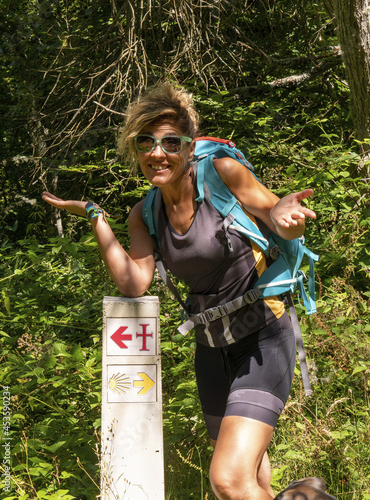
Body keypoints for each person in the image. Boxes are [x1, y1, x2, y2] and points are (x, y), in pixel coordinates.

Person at [42, 82, 316, 500]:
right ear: (135, 150)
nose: (158, 152)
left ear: (189, 147)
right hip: (211, 349)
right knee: (253, 481)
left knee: (227, 479)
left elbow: (270, 209)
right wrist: (96, 216)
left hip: (263, 336)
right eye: (146, 142)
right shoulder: (145, 213)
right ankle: (305, 494)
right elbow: (134, 282)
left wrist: (283, 216)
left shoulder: (221, 173)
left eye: (170, 141)